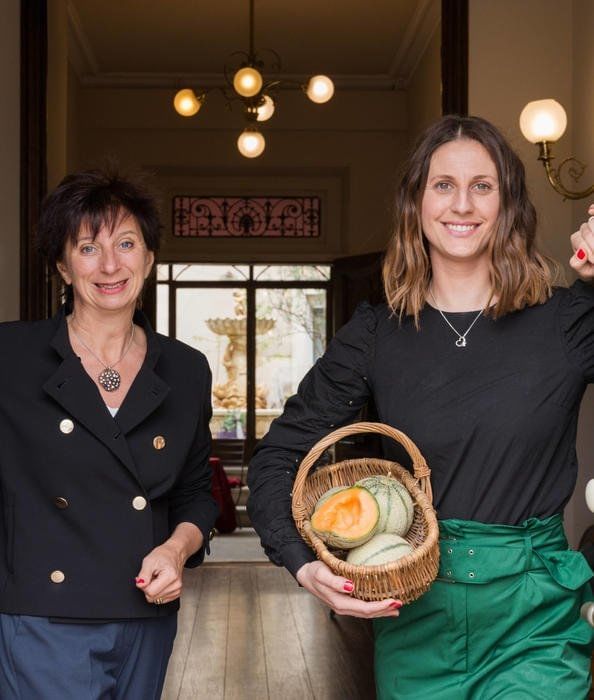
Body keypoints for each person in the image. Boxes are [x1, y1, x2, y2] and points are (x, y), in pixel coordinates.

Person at [247, 115, 594, 698]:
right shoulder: (376, 334)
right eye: (443, 185)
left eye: (482, 185)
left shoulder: (566, 322)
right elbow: (280, 454)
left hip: (535, 621)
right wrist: (302, 564)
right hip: (413, 621)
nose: (462, 203)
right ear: (415, 203)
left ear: (508, 203)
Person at [0, 168, 218, 699]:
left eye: (126, 244)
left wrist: (175, 550)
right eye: (88, 248)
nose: (110, 265)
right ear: (62, 265)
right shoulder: (12, 357)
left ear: (148, 258)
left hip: (146, 613)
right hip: (43, 616)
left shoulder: (185, 369)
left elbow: (196, 496)